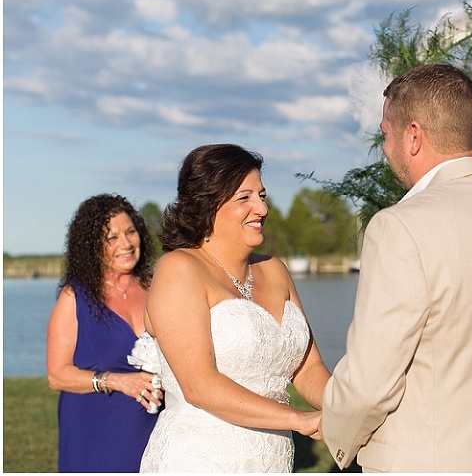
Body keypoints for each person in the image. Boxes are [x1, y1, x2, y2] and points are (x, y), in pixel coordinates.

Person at [321, 64, 472, 472]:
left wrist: (337, 436)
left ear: (413, 136)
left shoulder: (400, 227)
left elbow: (368, 385)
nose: (385, 148)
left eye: (386, 134)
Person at [139, 144, 330, 472]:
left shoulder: (275, 269)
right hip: (199, 459)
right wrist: (298, 419)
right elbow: (200, 384)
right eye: (244, 198)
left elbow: (307, 369)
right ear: (207, 204)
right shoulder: (179, 268)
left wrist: (352, 408)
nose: (262, 208)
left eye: (262, 195)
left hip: (273, 460)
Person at [47, 193, 162, 472]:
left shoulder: (157, 287)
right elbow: (57, 375)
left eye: (130, 232)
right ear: (92, 246)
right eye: (112, 238)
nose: (125, 243)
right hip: (95, 433)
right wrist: (118, 382)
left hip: (157, 430)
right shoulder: (75, 298)